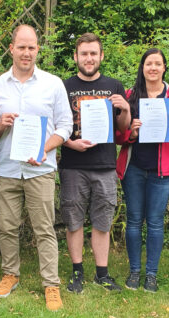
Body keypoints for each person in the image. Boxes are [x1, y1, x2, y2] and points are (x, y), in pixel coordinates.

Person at [0, 24, 72, 311]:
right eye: (21, 47)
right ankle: (10, 274)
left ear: (38, 49)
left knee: (44, 229)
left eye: (31, 47)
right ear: (11, 48)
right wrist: (0, 125)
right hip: (8, 169)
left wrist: (44, 149)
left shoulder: (52, 83)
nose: (26, 52)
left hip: (41, 169)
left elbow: (66, 126)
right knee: (7, 228)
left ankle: (51, 284)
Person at [115, 48, 169, 293]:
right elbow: (118, 136)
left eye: (158, 64)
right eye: (149, 63)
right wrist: (132, 132)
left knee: (156, 223)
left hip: (163, 169)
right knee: (135, 221)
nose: (153, 68)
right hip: (134, 167)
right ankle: (134, 272)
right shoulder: (130, 94)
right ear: (143, 67)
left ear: (164, 67)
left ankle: (151, 274)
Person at [59, 33, 131, 294]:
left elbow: (123, 130)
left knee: (103, 221)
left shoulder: (114, 86)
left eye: (93, 53)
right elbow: (56, 127)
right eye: (84, 53)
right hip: (73, 164)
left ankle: (102, 273)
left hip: (104, 164)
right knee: (73, 220)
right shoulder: (63, 87)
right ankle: (77, 271)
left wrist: (125, 109)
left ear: (101, 56)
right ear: (75, 57)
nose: (88, 58)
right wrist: (69, 143)